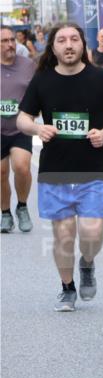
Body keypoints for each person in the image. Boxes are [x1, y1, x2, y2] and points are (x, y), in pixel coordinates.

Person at [15, 22, 103, 311]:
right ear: (52, 47)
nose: (68, 45)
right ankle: (67, 288)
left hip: (94, 168)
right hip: (55, 170)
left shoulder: (100, 78)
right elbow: (22, 118)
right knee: (63, 234)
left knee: (92, 231)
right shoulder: (42, 80)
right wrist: (37, 129)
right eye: (62, 40)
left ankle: (87, 262)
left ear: (82, 44)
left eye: (74, 39)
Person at [1, 26, 36, 234]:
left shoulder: (28, 65)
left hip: (20, 127)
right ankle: (5, 213)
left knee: (22, 167)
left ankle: (22, 207)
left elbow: (39, 92)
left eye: (12, 40)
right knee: (1, 172)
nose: (10, 44)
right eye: (4, 41)